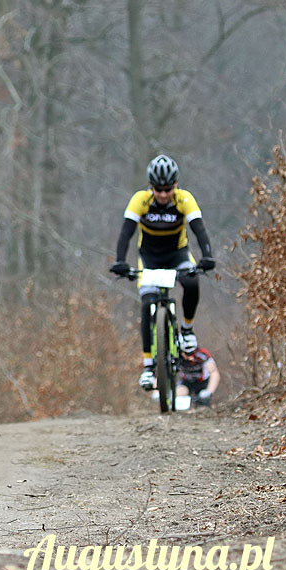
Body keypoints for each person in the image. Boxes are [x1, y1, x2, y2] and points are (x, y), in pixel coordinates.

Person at [109, 154, 216, 391]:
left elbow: (199, 230)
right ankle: (149, 367)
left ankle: (187, 330)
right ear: (151, 187)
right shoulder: (140, 200)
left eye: (168, 189)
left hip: (177, 254)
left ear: (175, 186)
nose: (164, 194)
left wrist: (207, 256)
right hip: (149, 257)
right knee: (147, 304)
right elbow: (125, 233)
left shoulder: (185, 199)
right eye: (159, 189)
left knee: (191, 281)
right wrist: (120, 261)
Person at [177, 340, 220, 406]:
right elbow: (162, 371)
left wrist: (209, 391)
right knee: (180, 393)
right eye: (187, 354)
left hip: (202, 382)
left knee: (203, 398)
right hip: (186, 382)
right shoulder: (176, 357)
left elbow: (214, 373)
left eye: (192, 353)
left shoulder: (202, 355)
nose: (190, 358)